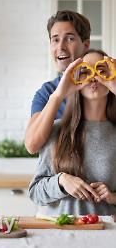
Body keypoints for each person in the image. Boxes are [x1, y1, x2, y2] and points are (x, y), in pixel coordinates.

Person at [28, 49, 116, 216]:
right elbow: (35, 192)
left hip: (103, 236)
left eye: (101, 70)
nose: (93, 77)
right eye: (85, 72)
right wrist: (61, 181)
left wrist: (112, 197)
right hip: (57, 235)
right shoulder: (56, 130)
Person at [25, 10, 91, 154]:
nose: (60, 47)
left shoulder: (101, 86)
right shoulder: (47, 92)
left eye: (69, 38)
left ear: (85, 45)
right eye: (55, 39)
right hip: (60, 176)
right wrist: (58, 95)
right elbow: (31, 145)